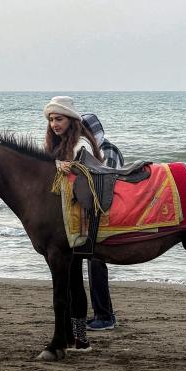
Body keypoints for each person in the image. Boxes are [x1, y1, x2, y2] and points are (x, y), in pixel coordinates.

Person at [43, 96, 103, 352]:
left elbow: (87, 174)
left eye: (59, 119)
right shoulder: (56, 145)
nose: (55, 124)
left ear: (71, 120)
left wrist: (60, 166)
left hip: (81, 220)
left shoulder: (79, 143)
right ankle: (76, 337)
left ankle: (79, 337)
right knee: (72, 281)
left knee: (75, 282)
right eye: (52, 119)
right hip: (67, 220)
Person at [81, 113, 124, 331]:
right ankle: (102, 313)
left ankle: (105, 316)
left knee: (96, 262)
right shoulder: (86, 151)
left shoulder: (109, 150)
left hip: (106, 214)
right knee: (92, 263)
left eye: (84, 131)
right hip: (92, 214)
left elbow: (109, 181)